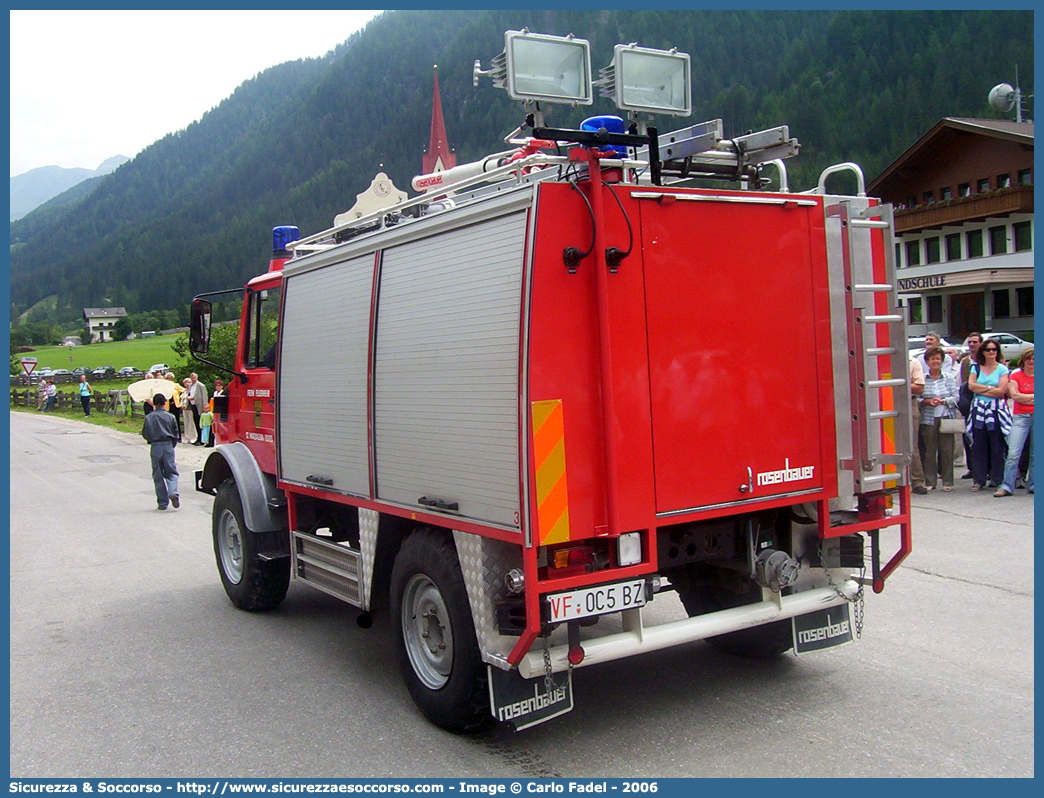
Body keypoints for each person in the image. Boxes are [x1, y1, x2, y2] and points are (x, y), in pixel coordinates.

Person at [967, 339, 1010, 491]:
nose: (991, 352)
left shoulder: (1002, 369)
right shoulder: (976, 368)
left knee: (997, 446)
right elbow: (971, 386)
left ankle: (998, 479)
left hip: (996, 410)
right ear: (983, 352)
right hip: (979, 410)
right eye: (988, 350)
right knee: (979, 445)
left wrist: (983, 389)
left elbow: (1001, 391)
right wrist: (991, 387)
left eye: (994, 350)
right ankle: (978, 480)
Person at [918, 346, 959, 492]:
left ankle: (948, 482)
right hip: (928, 419)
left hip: (946, 417)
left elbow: (956, 397)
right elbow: (916, 398)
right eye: (932, 359)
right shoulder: (922, 378)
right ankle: (930, 481)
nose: (935, 361)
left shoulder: (948, 378)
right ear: (927, 361)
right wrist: (927, 401)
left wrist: (944, 401)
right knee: (929, 451)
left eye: (938, 359)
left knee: (947, 450)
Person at [996, 348, 1033, 497]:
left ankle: (1033, 484)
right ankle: (1007, 485)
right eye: (1028, 359)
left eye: (1034, 359)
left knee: (1035, 454)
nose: (1031, 362)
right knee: (1014, 452)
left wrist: (1025, 397)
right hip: (1021, 417)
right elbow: (1015, 396)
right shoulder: (1016, 375)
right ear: (1023, 360)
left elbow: (1020, 395)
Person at [140, 393, 180, 510]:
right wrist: (172, 445)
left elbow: (145, 433)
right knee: (171, 471)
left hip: (155, 446)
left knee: (158, 474)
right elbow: (176, 433)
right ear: (164, 403)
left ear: (154, 403)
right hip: (167, 445)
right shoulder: (170, 417)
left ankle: (162, 502)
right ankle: (173, 491)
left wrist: (151, 440)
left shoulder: (149, 417)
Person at [958, 332, 983, 479]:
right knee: (967, 434)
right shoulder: (965, 362)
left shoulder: (986, 360)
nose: (972, 345)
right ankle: (971, 468)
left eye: (975, 342)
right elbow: (963, 382)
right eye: (970, 342)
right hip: (968, 400)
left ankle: (986, 468)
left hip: (982, 399)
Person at [909, 357, 928, 495]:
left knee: (912, 444)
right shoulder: (883, 359)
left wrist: (899, 384)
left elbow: (920, 387)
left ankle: (917, 481)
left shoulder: (913, 362)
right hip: (887, 402)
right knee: (888, 445)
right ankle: (892, 482)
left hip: (909, 403)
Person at [187, 372, 208, 445]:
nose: (193, 379)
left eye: (194, 377)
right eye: (192, 377)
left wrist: (205, 406)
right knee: (195, 421)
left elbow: (204, 396)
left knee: (200, 422)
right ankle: (198, 437)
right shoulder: (190, 386)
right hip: (193, 405)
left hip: (199, 405)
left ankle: (202, 439)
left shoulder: (201, 386)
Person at [165, 372, 185, 442]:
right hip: (168, 406)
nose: (169, 380)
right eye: (168, 378)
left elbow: (184, 391)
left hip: (175, 405)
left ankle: (178, 437)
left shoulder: (176, 385)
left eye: (170, 378)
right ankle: (170, 436)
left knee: (177, 421)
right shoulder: (164, 387)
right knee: (169, 422)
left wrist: (180, 397)